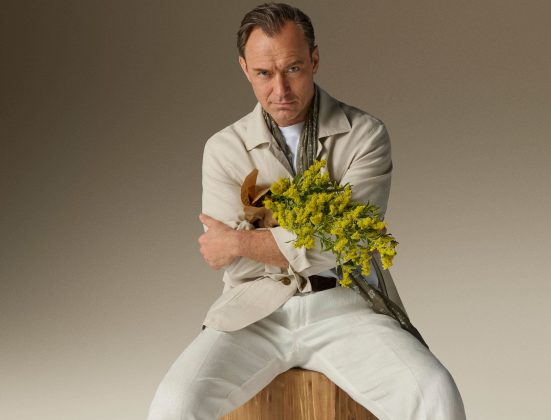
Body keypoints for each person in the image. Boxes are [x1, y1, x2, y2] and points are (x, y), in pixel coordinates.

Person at [147, 3, 466, 419]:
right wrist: (308, 236)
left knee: (435, 392)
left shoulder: (365, 135)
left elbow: (346, 242)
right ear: (245, 69)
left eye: (293, 68)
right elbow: (236, 265)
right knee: (174, 403)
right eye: (264, 73)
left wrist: (241, 241)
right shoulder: (224, 149)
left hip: (344, 305)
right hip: (253, 312)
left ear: (314, 60)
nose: (280, 88)